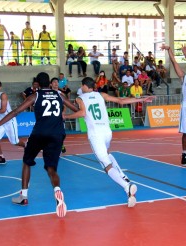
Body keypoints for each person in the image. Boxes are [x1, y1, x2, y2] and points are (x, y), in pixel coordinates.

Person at [0, 72, 78, 218]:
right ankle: (57, 190)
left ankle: (23, 196)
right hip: (57, 134)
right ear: (49, 82)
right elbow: (77, 109)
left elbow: (15, 112)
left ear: (37, 84)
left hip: (39, 134)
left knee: (27, 162)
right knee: (51, 168)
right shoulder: (59, 95)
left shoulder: (35, 96)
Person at [63, 77, 154, 207]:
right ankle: (123, 177)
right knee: (107, 154)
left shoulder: (80, 98)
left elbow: (82, 113)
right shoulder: (101, 94)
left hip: (96, 135)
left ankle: (126, 186)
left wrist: (66, 116)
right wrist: (142, 99)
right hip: (107, 132)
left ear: (84, 86)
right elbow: (121, 101)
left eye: (81, 86)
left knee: (106, 165)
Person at [0, 80, 25, 165]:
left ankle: (26, 146)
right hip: (1, 121)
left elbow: (3, 110)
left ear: (0, 87)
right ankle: (1, 158)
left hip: (9, 120)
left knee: (15, 142)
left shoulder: (3, 95)